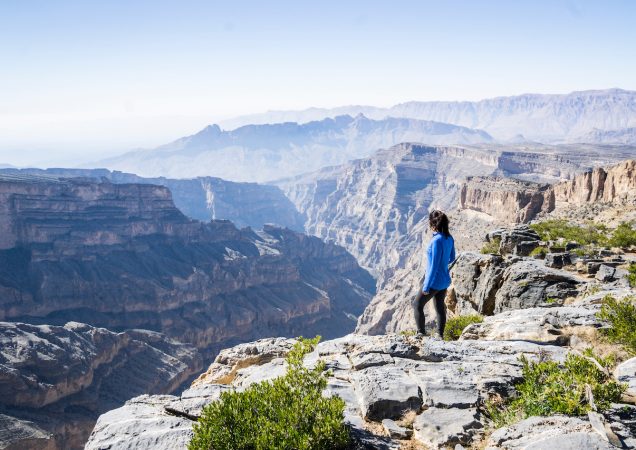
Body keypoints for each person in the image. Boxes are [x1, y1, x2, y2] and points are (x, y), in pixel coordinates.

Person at [414, 210, 456, 338]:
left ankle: (421, 333)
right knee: (439, 307)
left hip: (434, 281)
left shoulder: (436, 241)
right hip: (444, 280)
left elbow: (433, 266)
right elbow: (452, 258)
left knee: (417, 304)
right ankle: (440, 334)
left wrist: (426, 286)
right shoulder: (449, 238)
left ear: (433, 224)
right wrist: (444, 262)